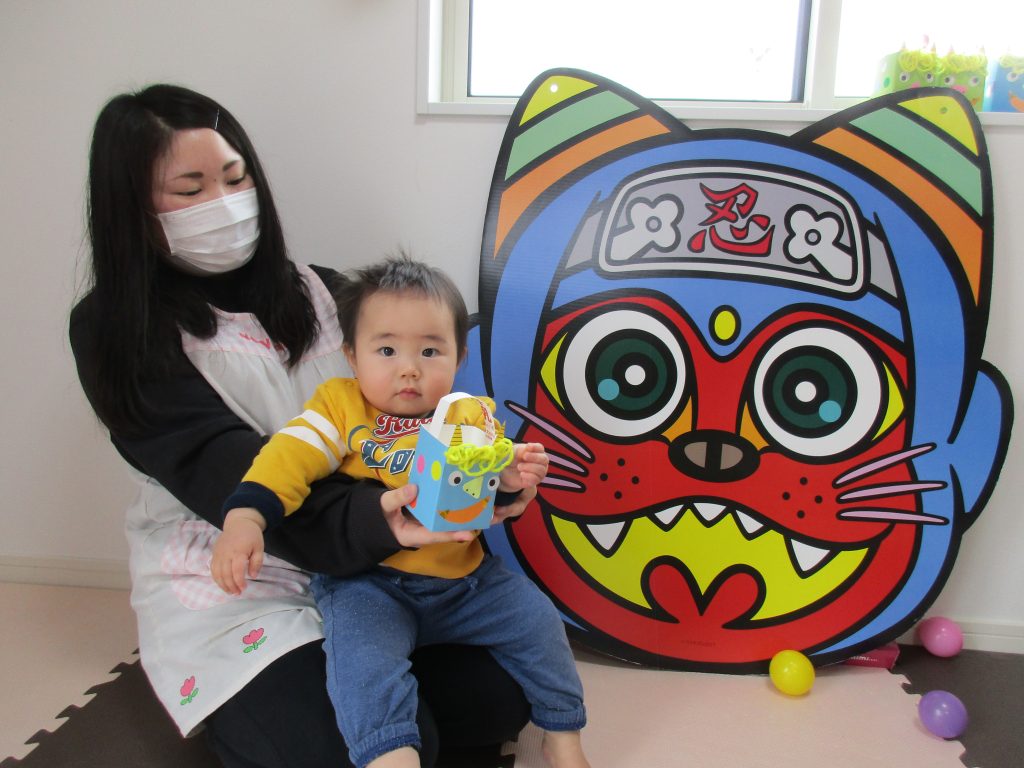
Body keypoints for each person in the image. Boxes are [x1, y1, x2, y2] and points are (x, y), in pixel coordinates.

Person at [69, 84, 533, 768]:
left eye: (236, 179)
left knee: (503, 697)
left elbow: (422, 410)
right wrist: (382, 517)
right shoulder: (116, 331)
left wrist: (492, 477)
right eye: (190, 189)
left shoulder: (326, 292)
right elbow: (230, 473)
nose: (224, 203)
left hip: (376, 561)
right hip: (241, 560)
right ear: (132, 208)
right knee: (375, 746)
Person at [211, 257, 591, 768]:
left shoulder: (467, 414)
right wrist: (246, 516)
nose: (409, 368)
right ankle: (389, 755)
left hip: (466, 582)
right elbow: (288, 458)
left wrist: (509, 479)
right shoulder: (339, 407)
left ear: (458, 357)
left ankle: (562, 733)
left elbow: (486, 495)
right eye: (387, 350)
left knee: (539, 621)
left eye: (430, 351)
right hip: (369, 584)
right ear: (352, 355)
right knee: (362, 663)